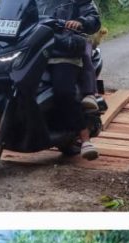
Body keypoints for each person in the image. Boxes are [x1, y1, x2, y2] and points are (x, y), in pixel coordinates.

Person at [41, 0, 103, 160]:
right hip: (35, 47)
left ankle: (84, 137)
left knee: (63, 91)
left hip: (64, 49)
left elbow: (93, 18)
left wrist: (80, 22)